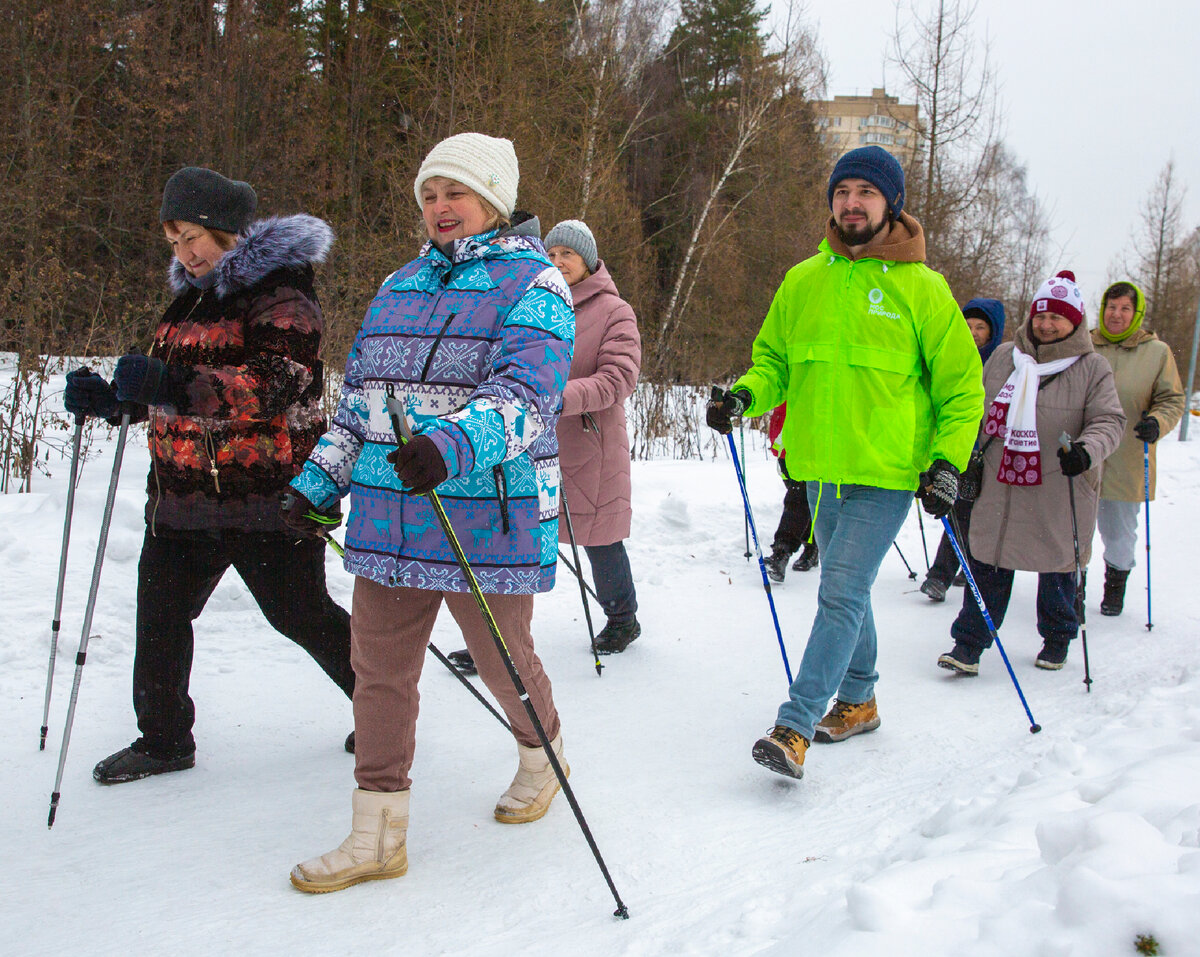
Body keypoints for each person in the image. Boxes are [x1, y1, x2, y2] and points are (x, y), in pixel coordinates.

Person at [284, 133, 574, 893]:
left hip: (486, 516)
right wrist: (318, 481)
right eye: (430, 193)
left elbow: (526, 397)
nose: (440, 206)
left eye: (456, 191)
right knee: (377, 669)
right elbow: (360, 406)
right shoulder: (400, 283)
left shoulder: (536, 283)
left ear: (494, 201)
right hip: (390, 516)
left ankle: (543, 756)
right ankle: (376, 832)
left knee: (500, 660)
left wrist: (452, 444)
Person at [64, 167, 354, 785]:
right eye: (173, 239)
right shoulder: (189, 298)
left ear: (229, 232)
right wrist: (119, 399)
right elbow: (173, 390)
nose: (185, 251)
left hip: (265, 498)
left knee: (300, 613)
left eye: (193, 235)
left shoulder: (284, 297)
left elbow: (273, 387)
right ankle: (164, 739)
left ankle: (383, 705)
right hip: (183, 496)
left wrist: (169, 385)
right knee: (161, 613)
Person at [706, 145, 984, 780]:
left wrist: (946, 462)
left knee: (838, 592)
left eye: (865, 191)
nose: (851, 202)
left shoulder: (924, 289)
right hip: (819, 470)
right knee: (849, 590)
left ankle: (795, 724)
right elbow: (775, 361)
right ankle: (858, 699)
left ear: (891, 204)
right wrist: (747, 394)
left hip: (886, 473)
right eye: (842, 191)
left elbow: (962, 389)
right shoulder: (805, 280)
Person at [938, 271, 1125, 676]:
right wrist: (958, 455)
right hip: (999, 481)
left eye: (1057, 317)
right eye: (1041, 315)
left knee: (1057, 566)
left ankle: (1057, 638)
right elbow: (974, 408)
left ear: (1075, 321)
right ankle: (968, 644)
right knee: (988, 559)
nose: (1045, 324)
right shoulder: (1006, 356)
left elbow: (1109, 421)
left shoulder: (1093, 368)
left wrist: (1086, 451)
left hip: (1059, 484)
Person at [1091, 280, 1184, 616]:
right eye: (1111, 307)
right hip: (1082, 455)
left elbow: (1172, 398)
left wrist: (1157, 422)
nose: (1116, 314)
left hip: (1128, 455)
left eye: (1125, 308)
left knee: (1118, 532)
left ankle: (1115, 587)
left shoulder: (1155, 352)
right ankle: (1069, 585)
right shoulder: (1084, 344)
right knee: (1074, 527)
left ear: (1136, 313)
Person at [920, 298, 1006, 601]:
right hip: (960, 451)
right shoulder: (951, 356)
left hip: (992, 451)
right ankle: (940, 575)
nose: (972, 332)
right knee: (960, 510)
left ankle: (973, 566)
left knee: (983, 516)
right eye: (967, 325)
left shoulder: (1003, 364)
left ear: (993, 331)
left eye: (980, 327)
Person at [762, 404, 819, 583]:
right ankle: (812, 547)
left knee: (798, 498)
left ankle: (782, 551)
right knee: (804, 501)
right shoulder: (785, 375)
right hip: (784, 444)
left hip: (809, 444)